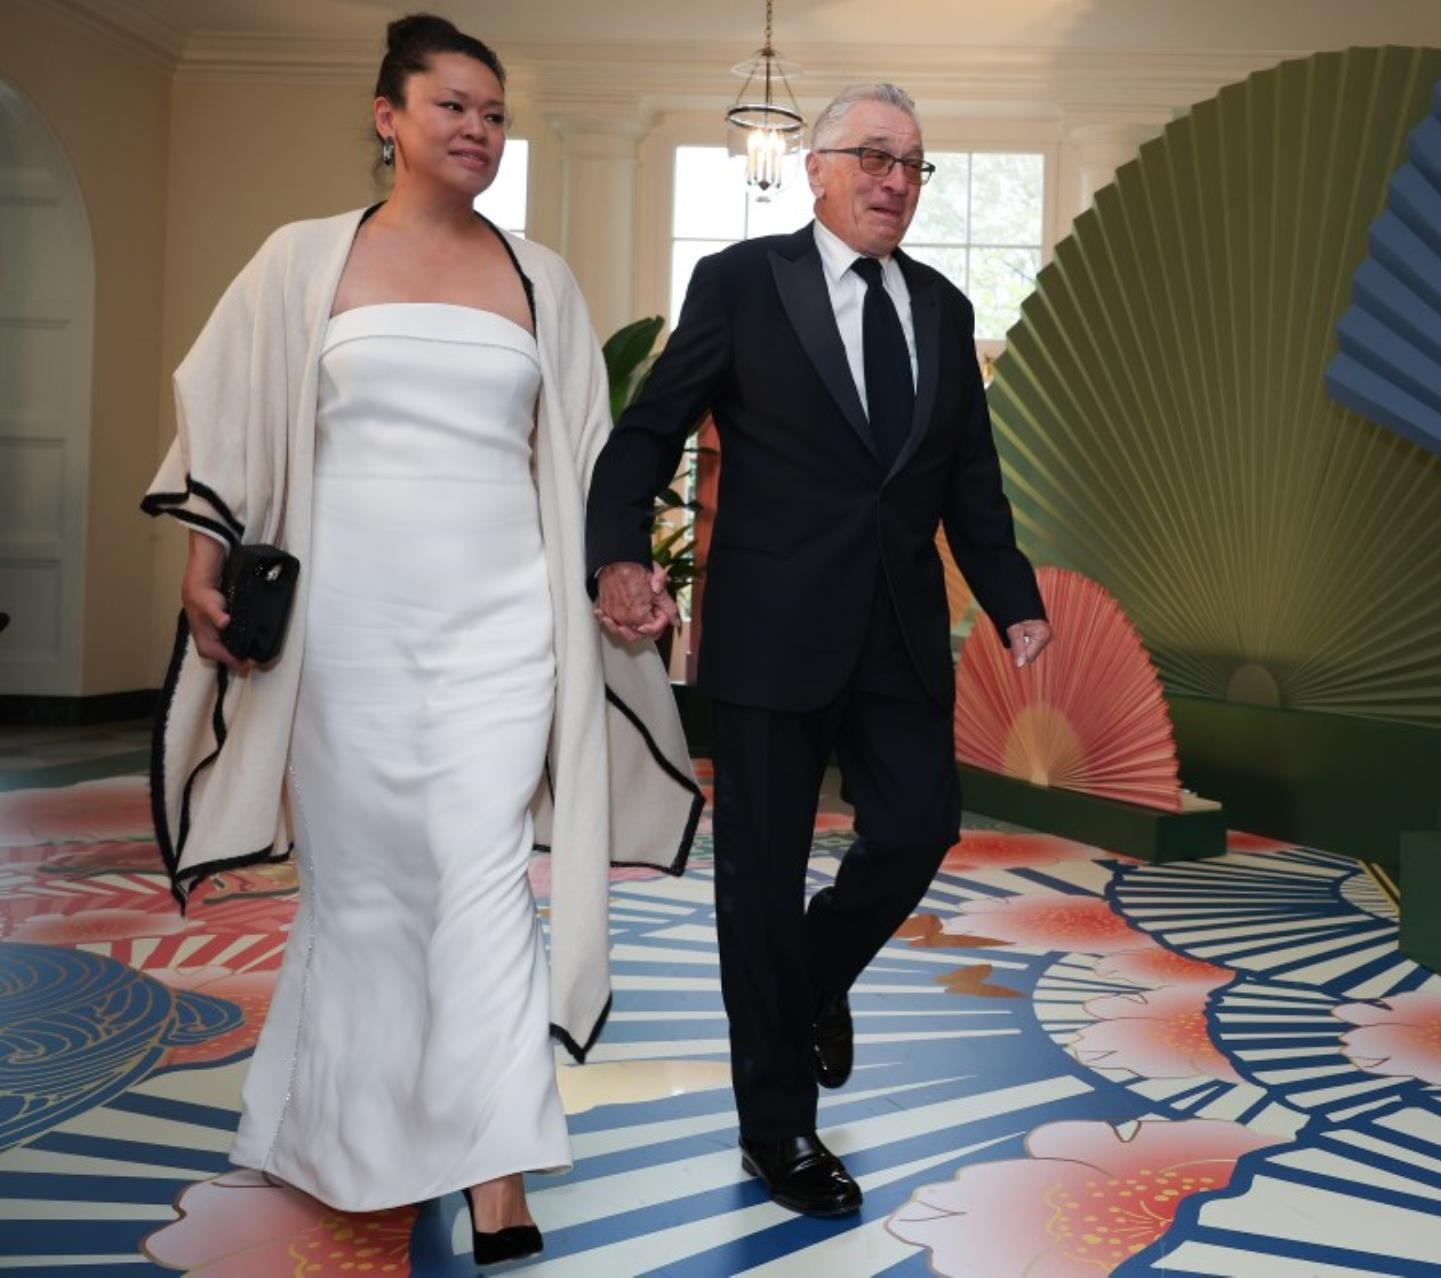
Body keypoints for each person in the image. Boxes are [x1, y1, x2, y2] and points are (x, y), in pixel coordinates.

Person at [141, 14, 701, 1264]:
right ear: (387, 117)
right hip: (348, 633)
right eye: (453, 106)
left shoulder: (539, 279)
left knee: (486, 878)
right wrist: (201, 561)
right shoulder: (300, 262)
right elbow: (226, 418)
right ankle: (345, 1133)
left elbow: (587, 456)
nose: (478, 132)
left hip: (505, 624)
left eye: (495, 116)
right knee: (367, 889)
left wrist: (618, 579)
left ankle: (497, 1174)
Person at [586, 82, 1052, 1217]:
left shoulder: (942, 306)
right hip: (769, 636)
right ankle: (778, 1131)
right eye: (877, 158)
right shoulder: (742, 285)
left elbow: (969, 481)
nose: (898, 180)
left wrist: (1013, 598)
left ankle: (811, 978)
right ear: (821, 169)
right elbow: (650, 428)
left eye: (915, 164)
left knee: (918, 829)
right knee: (755, 883)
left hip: (900, 634)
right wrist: (614, 556)